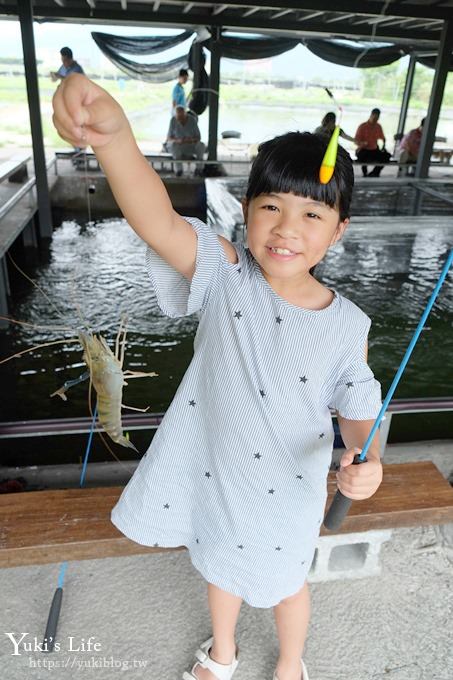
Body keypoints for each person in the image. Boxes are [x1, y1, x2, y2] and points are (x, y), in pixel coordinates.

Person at [53, 74, 383, 680]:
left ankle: (290, 661)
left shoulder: (348, 324)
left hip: (293, 487)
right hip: (219, 472)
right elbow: (154, 216)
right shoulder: (226, 274)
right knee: (219, 565)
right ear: (246, 213)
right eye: (271, 207)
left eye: (312, 213)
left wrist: (367, 460)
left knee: (287, 583)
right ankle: (223, 652)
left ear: (339, 231)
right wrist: (115, 137)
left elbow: (359, 406)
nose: (287, 228)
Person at [167, 106, 205, 176]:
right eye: (178, 117)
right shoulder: (173, 120)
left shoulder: (192, 120)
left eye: (182, 117)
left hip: (190, 145)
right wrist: (178, 140)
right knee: (173, 145)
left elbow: (198, 137)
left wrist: (190, 140)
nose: (180, 120)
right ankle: (179, 170)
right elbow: (169, 138)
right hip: (179, 146)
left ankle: (199, 169)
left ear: (185, 115)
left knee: (201, 145)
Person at [355, 108, 390, 177]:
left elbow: (383, 138)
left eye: (377, 118)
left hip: (374, 149)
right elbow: (356, 140)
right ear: (371, 115)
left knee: (387, 156)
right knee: (362, 157)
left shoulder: (378, 126)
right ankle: (365, 172)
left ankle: (374, 172)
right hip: (363, 149)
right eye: (374, 118)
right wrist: (362, 143)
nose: (375, 120)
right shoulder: (362, 126)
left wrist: (383, 146)